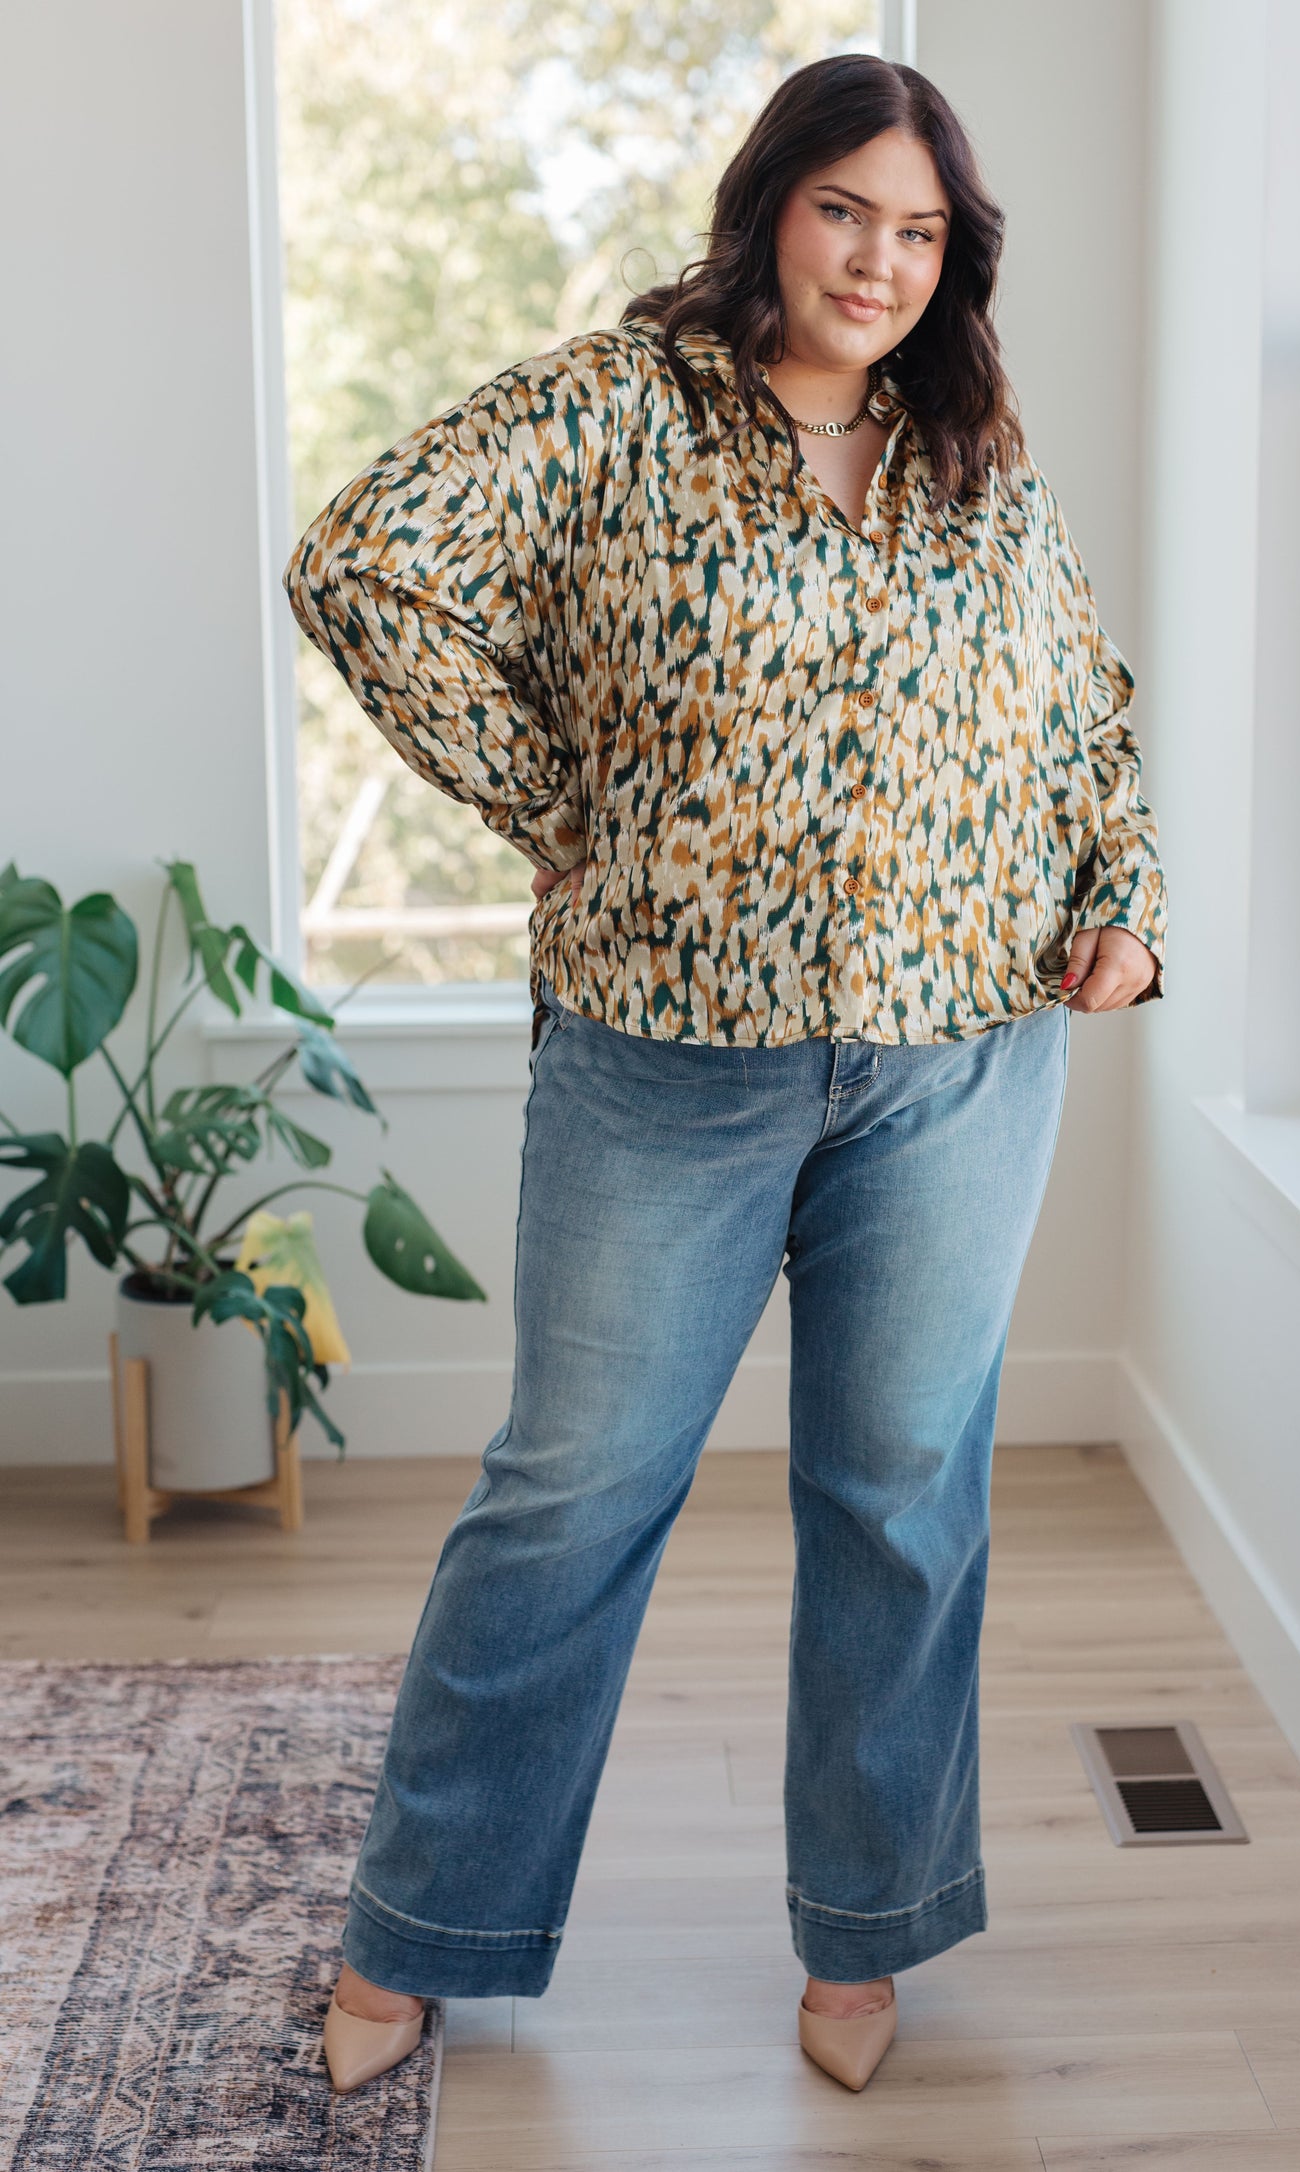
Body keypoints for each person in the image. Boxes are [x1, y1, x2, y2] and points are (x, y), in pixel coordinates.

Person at [284, 51, 1166, 2099]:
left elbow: (1078, 712)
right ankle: (421, 1934)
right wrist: (553, 792)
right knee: (572, 1494)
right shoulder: (613, 404)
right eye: (846, 210)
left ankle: (864, 1947)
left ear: (957, 265)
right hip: (663, 1062)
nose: (879, 260)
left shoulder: (977, 462)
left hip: (956, 1057)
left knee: (901, 1502)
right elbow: (363, 561)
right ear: (772, 204)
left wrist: (1123, 892)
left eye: (921, 231)